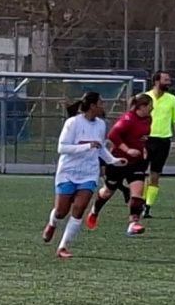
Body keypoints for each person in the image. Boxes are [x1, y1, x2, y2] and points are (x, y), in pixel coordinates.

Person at [46, 90, 121, 258]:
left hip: (89, 173)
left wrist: (113, 160)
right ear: (92, 106)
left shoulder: (101, 124)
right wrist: (86, 146)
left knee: (79, 209)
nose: (103, 106)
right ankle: (52, 223)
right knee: (61, 211)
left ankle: (63, 247)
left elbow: (100, 148)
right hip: (68, 172)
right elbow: (62, 148)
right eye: (101, 103)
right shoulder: (73, 123)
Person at [88, 92, 155, 237]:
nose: (152, 109)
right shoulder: (128, 119)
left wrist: (143, 148)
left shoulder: (148, 119)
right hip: (118, 161)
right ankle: (94, 211)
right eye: (150, 106)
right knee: (107, 191)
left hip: (137, 162)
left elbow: (142, 137)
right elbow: (113, 135)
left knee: (137, 192)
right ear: (141, 106)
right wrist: (127, 150)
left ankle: (133, 224)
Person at [141, 71, 175, 218]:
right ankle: (137, 202)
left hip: (163, 141)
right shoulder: (145, 98)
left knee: (155, 175)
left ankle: (147, 206)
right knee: (139, 173)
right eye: (166, 80)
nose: (169, 82)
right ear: (156, 81)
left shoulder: (172, 99)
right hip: (145, 140)